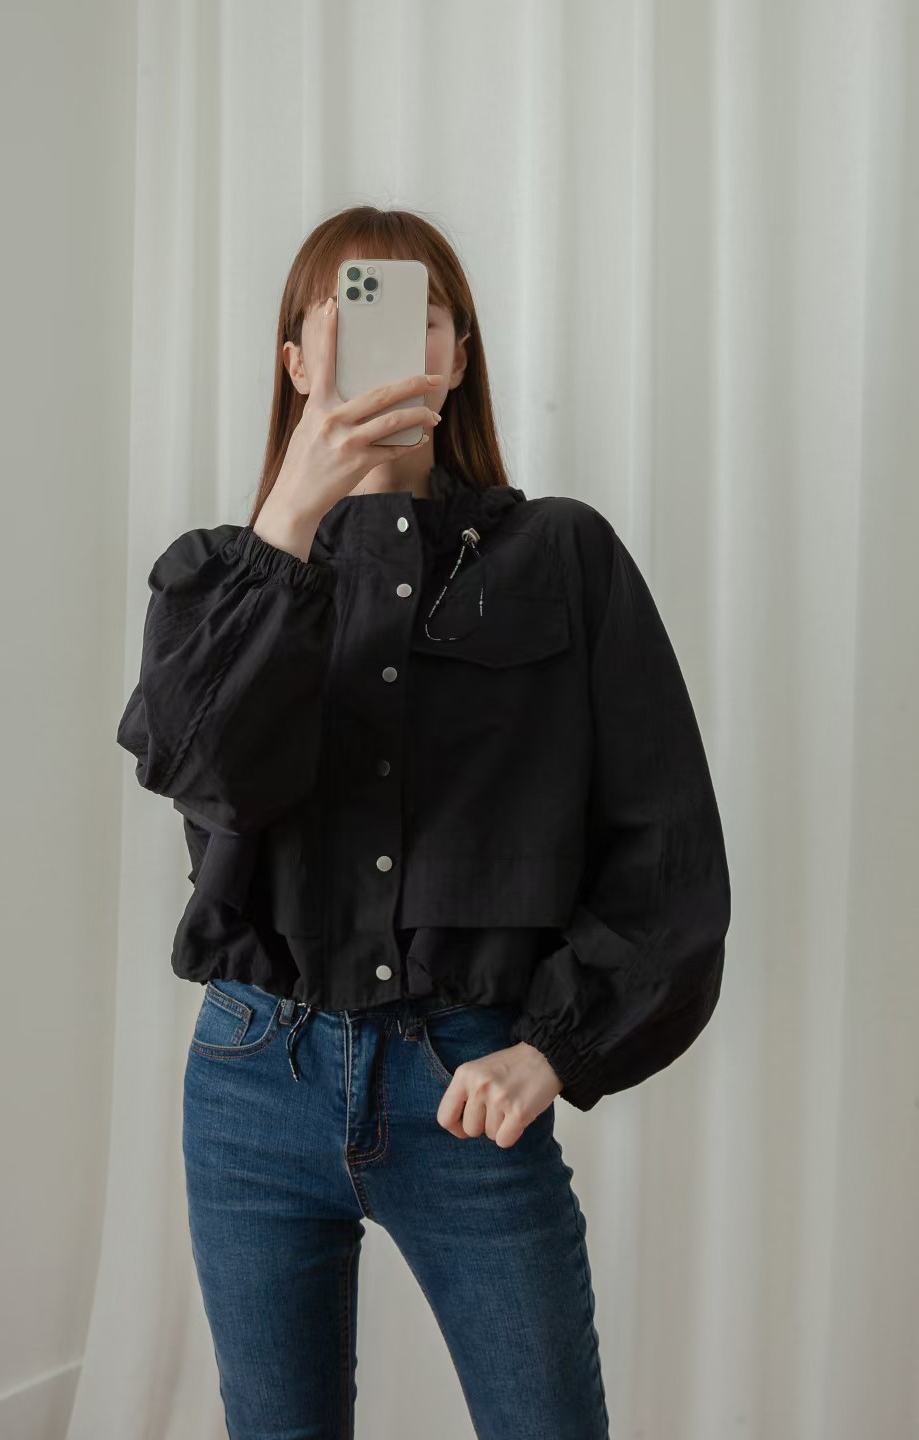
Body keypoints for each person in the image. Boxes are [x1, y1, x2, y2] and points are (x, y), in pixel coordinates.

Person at [117, 205, 730, 1438]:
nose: (393, 338)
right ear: (298, 362)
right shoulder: (215, 577)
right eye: (344, 315)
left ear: (455, 357)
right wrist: (287, 530)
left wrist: (558, 1048)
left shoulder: (563, 555)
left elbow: (666, 845)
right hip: (252, 1080)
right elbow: (203, 778)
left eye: (422, 314)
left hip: (469, 1083)